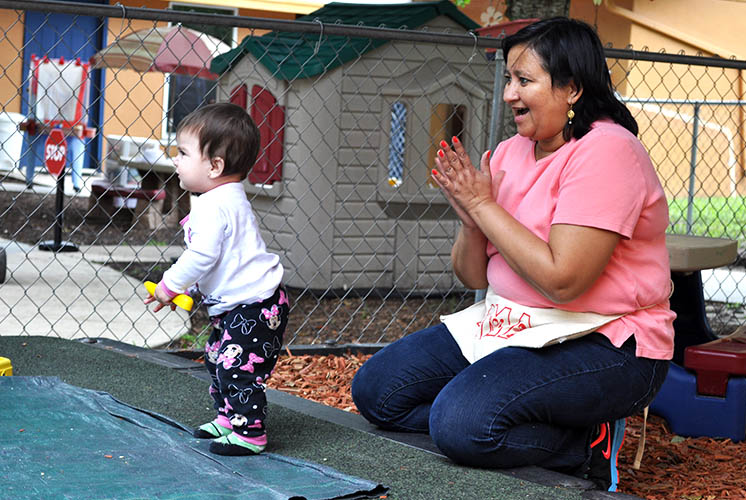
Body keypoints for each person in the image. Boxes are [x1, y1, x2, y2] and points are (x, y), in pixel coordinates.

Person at [351, 17, 674, 492]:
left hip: (604, 340)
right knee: (378, 393)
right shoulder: (509, 152)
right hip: (513, 322)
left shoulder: (608, 152)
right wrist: (470, 219)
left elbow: (564, 280)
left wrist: (484, 205)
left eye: (524, 81)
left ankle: (585, 444)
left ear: (573, 89)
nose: (508, 95)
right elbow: (470, 274)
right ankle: (503, 411)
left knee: (461, 426)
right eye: (508, 79)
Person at [145, 102, 289, 457]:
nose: (176, 160)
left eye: (182, 153)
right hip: (244, 303)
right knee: (215, 357)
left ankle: (250, 432)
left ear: (215, 166)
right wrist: (194, 288)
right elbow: (220, 259)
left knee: (235, 366)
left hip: (255, 305)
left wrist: (170, 285)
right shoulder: (223, 197)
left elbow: (202, 256)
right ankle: (229, 417)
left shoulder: (213, 205)